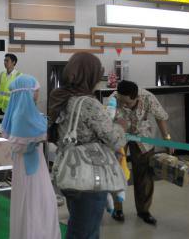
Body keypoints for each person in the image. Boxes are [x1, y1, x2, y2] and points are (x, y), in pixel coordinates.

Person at [48, 52, 127, 239]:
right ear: (90, 75)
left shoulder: (61, 97)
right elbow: (114, 139)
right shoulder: (89, 103)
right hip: (89, 176)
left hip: (69, 171)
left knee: (78, 224)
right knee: (86, 231)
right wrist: (120, 126)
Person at [2, 74, 60, 239]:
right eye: (36, 90)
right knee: (37, 203)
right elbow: (42, 136)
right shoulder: (26, 116)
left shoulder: (21, 114)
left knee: (31, 202)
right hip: (32, 168)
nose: (38, 93)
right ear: (28, 92)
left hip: (27, 165)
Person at [109, 80, 171, 225]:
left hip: (142, 134)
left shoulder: (148, 97)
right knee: (117, 172)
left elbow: (161, 117)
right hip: (119, 134)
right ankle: (117, 209)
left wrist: (167, 139)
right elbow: (106, 121)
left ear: (136, 97)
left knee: (144, 174)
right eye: (121, 102)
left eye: (127, 103)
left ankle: (144, 211)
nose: (123, 105)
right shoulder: (114, 98)